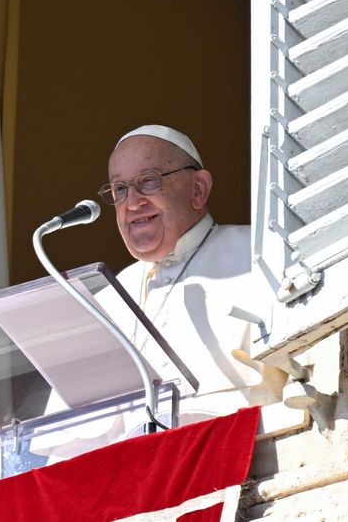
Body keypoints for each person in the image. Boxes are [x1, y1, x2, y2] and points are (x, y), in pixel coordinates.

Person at [98, 124, 283, 423]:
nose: (132, 203)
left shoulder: (262, 256)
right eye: (120, 189)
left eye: (148, 181)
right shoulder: (106, 301)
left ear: (198, 189)